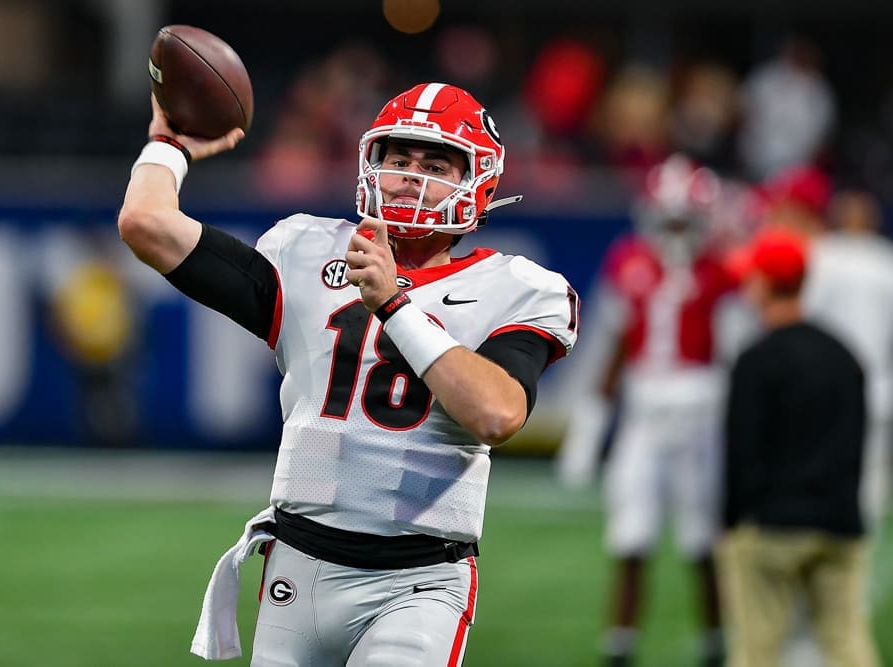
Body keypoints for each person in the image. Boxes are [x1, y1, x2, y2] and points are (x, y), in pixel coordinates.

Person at [117, 82, 579, 665]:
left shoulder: (516, 288)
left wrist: (395, 305)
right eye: (398, 158)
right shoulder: (305, 249)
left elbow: (497, 413)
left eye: (435, 163)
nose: (411, 175)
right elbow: (145, 223)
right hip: (298, 567)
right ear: (370, 165)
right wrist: (168, 142)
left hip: (419, 581)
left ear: (477, 181)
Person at [558, 154, 735, 667]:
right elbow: (611, 349)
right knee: (630, 534)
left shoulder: (721, 269)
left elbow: (733, 350)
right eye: (669, 216)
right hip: (643, 414)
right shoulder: (629, 260)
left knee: (703, 538)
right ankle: (620, 644)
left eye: (684, 218)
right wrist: (588, 429)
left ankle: (714, 643)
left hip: (703, 412)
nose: (675, 228)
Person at [719, 226, 880, 667]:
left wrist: (731, 526)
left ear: (765, 284)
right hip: (839, 524)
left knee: (757, 651)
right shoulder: (844, 355)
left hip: (773, 528)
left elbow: (741, 452)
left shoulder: (755, 360)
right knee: (847, 644)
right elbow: (857, 447)